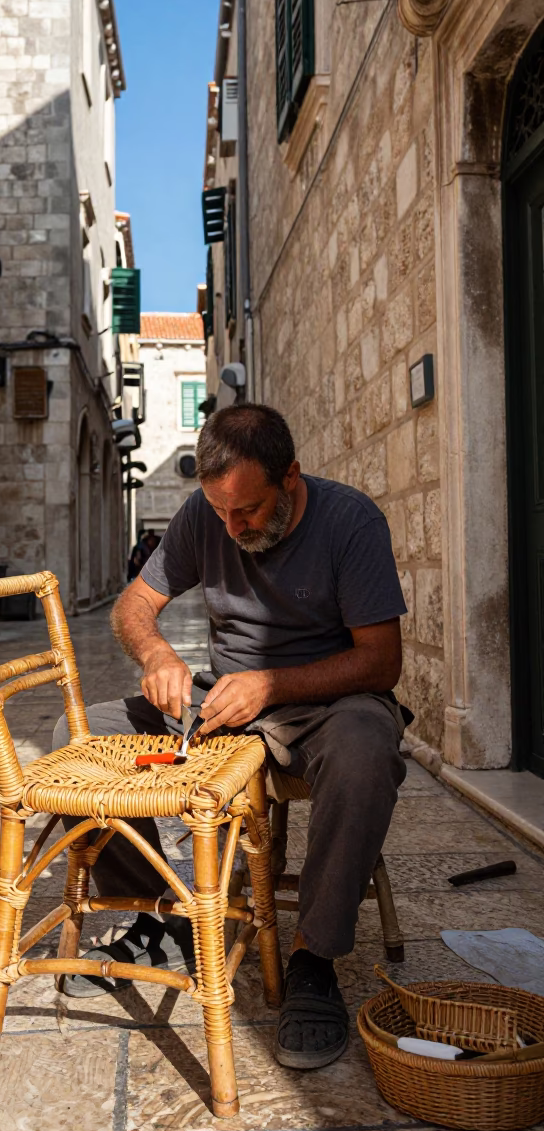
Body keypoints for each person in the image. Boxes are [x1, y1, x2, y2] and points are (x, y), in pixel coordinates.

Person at [53, 403, 408, 1071]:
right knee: (76, 740)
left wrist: (270, 685)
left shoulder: (350, 522)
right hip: (220, 706)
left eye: (246, 510)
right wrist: (157, 654)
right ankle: (168, 918)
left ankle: (313, 960)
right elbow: (134, 605)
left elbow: (381, 661)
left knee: (365, 749)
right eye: (219, 510)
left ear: (290, 476)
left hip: (327, 705)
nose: (231, 526)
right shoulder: (205, 514)